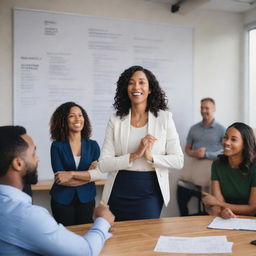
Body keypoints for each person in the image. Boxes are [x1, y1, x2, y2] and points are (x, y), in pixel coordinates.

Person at [0, 125, 114, 256]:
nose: (37, 159)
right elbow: (85, 251)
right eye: (33, 154)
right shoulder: (27, 216)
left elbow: (97, 173)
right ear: (18, 164)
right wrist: (103, 220)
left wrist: (72, 175)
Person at [98, 65, 184, 221]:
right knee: (119, 240)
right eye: (131, 83)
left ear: (150, 89)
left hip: (150, 189)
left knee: (147, 238)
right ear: (126, 88)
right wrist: (135, 155)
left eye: (141, 82)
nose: (136, 87)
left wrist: (151, 157)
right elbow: (103, 164)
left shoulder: (164, 118)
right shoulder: (115, 120)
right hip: (119, 187)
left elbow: (178, 160)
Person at [50, 102, 103, 226]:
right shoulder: (57, 146)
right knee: (65, 237)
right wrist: (88, 176)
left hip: (87, 198)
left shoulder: (93, 145)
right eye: (71, 116)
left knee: (85, 234)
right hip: (61, 199)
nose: (78, 119)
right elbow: (61, 179)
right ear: (64, 120)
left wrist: (71, 174)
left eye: (80, 115)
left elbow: (97, 174)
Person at [177, 97, 225, 216]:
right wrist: (194, 153)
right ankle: (183, 218)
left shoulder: (221, 129)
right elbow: (187, 148)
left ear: (214, 109)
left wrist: (206, 154)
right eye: (202, 108)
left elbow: (225, 151)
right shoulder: (194, 128)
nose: (204, 110)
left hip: (210, 168)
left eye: (207, 108)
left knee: (210, 202)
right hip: (193, 167)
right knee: (180, 188)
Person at [202, 122, 256, 218]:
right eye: (225, 137)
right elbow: (218, 202)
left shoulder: (254, 167)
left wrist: (218, 204)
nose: (226, 142)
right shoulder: (217, 165)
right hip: (228, 216)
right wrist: (222, 210)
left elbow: (252, 209)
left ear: (244, 144)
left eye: (233, 139)